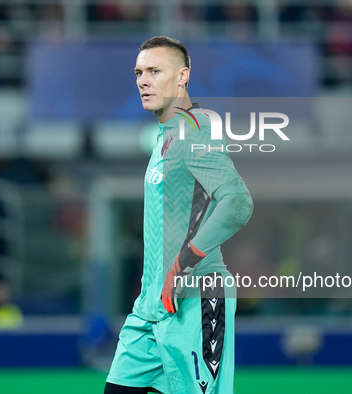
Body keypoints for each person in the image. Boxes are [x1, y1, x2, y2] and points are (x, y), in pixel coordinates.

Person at [105, 36, 253, 394]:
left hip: (198, 298)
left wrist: (180, 264)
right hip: (152, 308)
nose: (143, 80)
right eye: (139, 72)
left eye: (155, 71)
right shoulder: (167, 135)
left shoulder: (193, 129)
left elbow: (237, 202)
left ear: (183, 76)